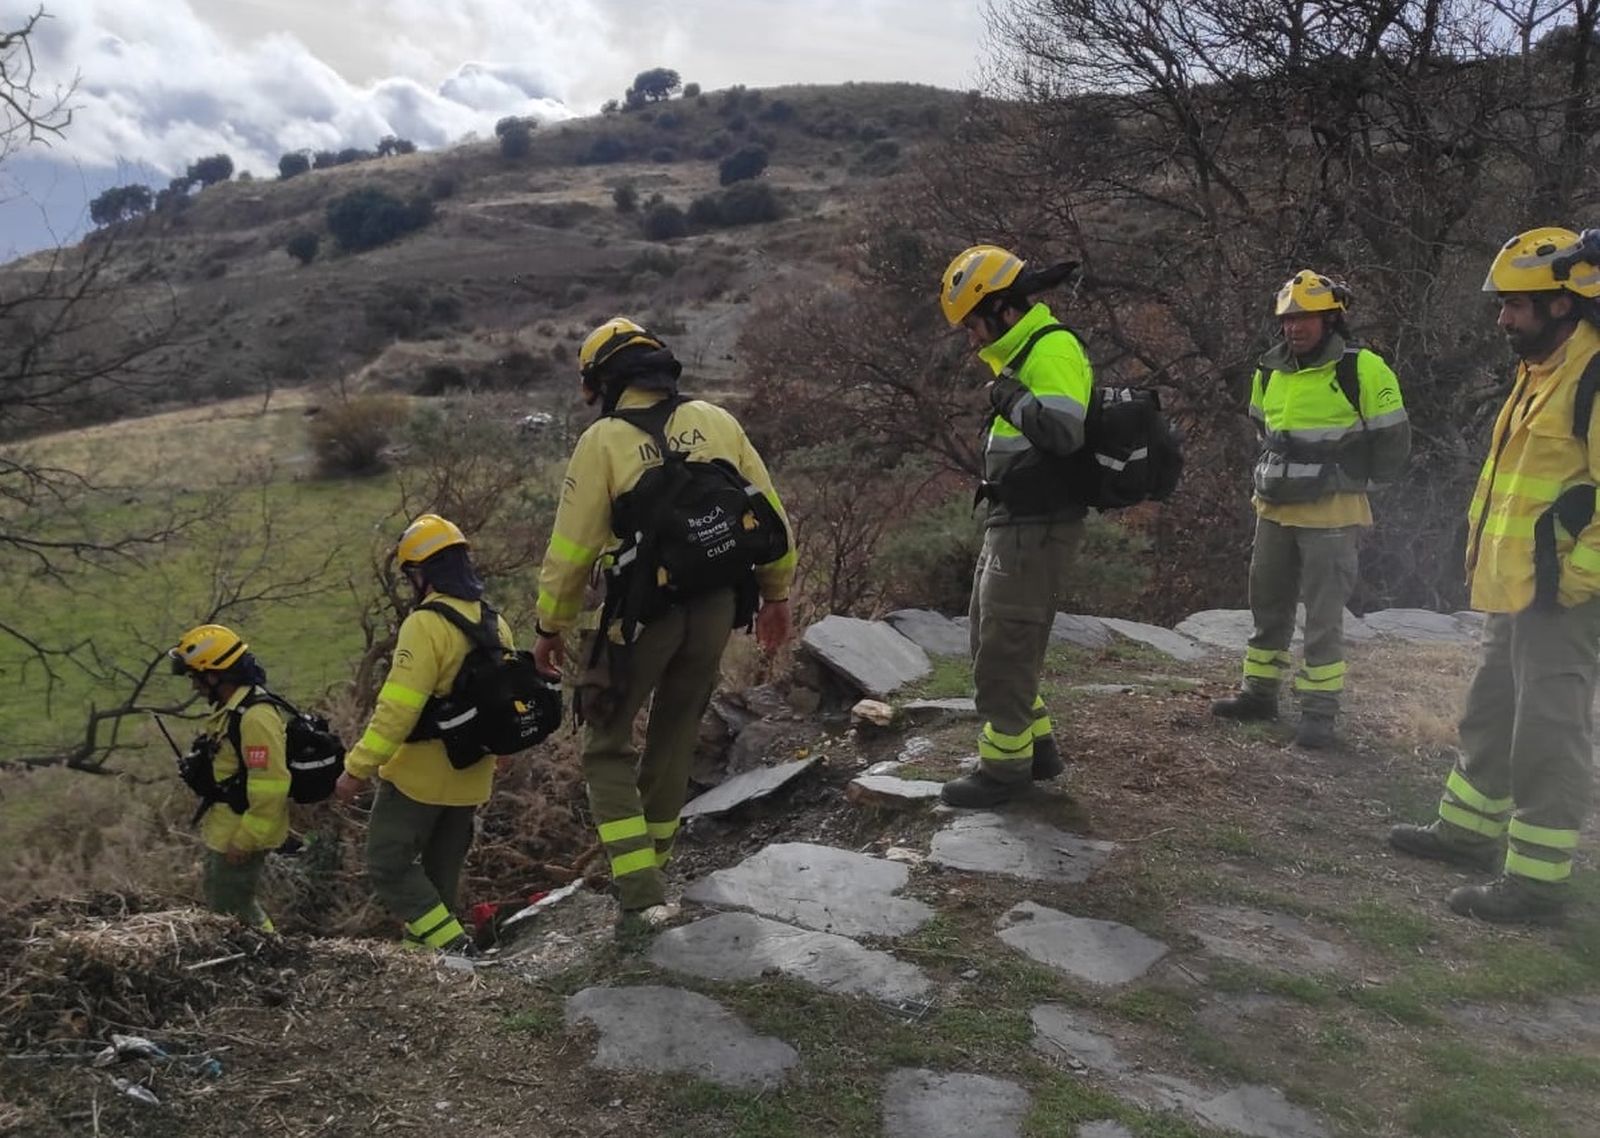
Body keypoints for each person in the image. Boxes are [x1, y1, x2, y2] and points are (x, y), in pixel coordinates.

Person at [533, 316, 795, 930]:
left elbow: (571, 552)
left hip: (642, 617)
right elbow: (769, 515)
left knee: (605, 743)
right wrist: (776, 596)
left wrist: (551, 629)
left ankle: (639, 889)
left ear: (604, 382)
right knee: (676, 734)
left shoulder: (602, 444)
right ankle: (655, 868)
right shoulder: (718, 421)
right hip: (716, 608)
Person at [1390, 227, 1600, 924]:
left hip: (1564, 598)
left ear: (1564, 306)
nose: (1502, 319)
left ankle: (1538, 883)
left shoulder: (1593, 376)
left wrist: (1575, 581)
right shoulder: (1542, 368)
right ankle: (1469, 833)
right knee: (1490, 711)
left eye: (1516, 305)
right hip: (1520, 586)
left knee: (1549, 728)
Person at [1211, 270, 1409, 749]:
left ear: (1330, 320)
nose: (1294, 328)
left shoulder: (1362, 369)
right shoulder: (1269, 370)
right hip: (1275, 509)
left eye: (1305, 318)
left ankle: (1319, 715)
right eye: (1287, 319)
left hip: (1332, 515)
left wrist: (1357, 483)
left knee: (1323, 617)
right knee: (1267, 606)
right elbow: (1265, 431)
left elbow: (1394, 440)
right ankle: (1259, 695)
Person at [936, 244, 1090, 809]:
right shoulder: (1020, 355)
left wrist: (1008, 396)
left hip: (1037, 524)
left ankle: (1004, 771)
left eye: (973, 324)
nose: (970, 338)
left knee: (1005, 644)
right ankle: (1037, 748)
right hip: (1015, 519)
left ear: (1002, 310)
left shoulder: (1050, 351)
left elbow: (1064, 433)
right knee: (990, 636)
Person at [336, 514, 514, 955]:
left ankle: (453, 947)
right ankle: (424, 963)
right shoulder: (497, 622)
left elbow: (397, 710)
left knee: (388, 862)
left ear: (421, 574)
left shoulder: (425, 624)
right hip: (473, 776)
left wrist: (357, 768)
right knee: (439, 877)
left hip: (418, 777)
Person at [168, 623, 288, 932]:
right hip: (225, 829)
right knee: (230, 907)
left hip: (240, 833)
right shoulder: (232, 711)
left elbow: (272, 787)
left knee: (234, 912)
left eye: (196, 677)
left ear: (215, 675)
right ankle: (268, 954)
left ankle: (268, 959)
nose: (194, 686)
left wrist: (246, 840)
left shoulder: (255, 718)